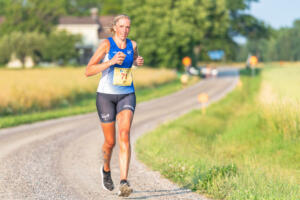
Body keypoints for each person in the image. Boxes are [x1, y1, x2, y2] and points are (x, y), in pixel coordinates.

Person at [85, 14, 144, 197]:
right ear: (115, 27)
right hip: (106, 96)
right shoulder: (106, 45)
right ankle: (106, 169)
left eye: (128, 27)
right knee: (110, 142)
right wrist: (110, 61)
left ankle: (124, 181)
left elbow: (132, 59)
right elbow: (88, 70)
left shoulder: (132, 45)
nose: (125, 30)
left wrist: (136, 62)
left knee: (124, 134)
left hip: (127, 94)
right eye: (122, 26)